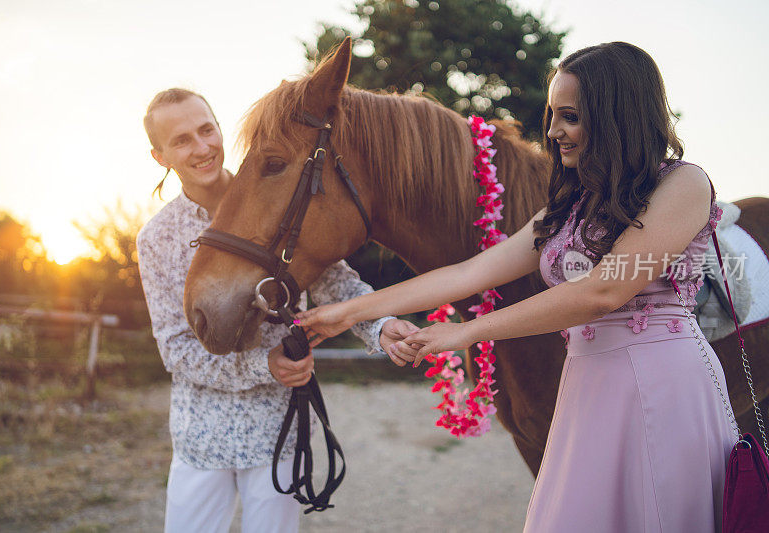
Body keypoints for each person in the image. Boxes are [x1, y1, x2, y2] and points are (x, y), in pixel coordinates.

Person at [297, 43, 737, 531]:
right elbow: (468, 273)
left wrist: (466, 332)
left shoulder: (683, 185)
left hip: (662, 384)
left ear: (616, 115)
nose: (552, 132)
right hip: (589, 384)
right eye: (552, 116)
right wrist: (351, 311)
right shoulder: (567, 208)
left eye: (569, 116)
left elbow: (602, 292)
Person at [136, 88, 419, 533]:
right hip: (201, 438)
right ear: (160, 156)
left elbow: (334, 281)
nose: (203, 146)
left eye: (207, 129)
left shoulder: (276, 196)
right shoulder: (157, 238)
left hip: (279, 430)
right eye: (182, 139)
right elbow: (175, 349)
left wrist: (379, 327)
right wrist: (262, 365)